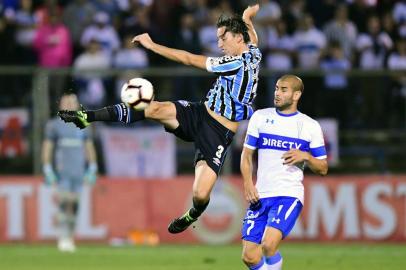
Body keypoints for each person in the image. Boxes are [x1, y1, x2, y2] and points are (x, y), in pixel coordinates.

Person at [58, 4, 262, 234]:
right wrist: (246, 18)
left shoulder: (235, 63)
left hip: (217, 133)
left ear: (237, 37)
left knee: (200, 194)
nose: (219, 45)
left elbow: (187, 58)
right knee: (153, 109)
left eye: (222, 39)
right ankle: (88, 116)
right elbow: (252, 38)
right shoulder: (253, 52)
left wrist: (152, 45)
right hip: (199, 113)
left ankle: (194, 212)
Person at [240, 75, 328, 270]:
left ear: (296, 94)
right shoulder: (260, 117)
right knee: (249, 256)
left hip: (288, 194)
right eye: (277, 88)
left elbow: (323, 168)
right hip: (260, 194)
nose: (277, 93)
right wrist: (248, 183)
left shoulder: (310, 126)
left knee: (268, 245)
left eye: (284, 90)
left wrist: (305, 156)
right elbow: (246, 155)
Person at [42, 93, 98, 252]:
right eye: (67, 101)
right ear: (61, 105)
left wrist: (93, 167)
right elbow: (47, 147)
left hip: (79, 172)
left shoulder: (83, 123)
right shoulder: (53, 125)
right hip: (63, 171)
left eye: (73, 101)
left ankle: (70, 237)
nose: (71, 104)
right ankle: (63, 237)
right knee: (64, 202)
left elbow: (89, 147)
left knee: (75, 205)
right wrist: (47, 168)